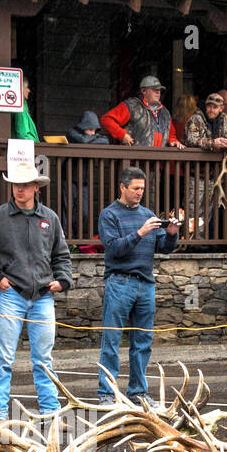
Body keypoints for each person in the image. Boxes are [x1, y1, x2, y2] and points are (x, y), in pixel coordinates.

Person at [0, 157, 72, 421]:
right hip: (11, 294)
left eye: (26, 185)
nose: (20, 189)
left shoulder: (49, 218)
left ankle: (50, 411)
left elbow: (61, 255)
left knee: (43, 359)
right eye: (16, 184)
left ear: (36, 187)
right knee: (3, 359)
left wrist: (62, 280)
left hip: (42, 296)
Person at [95, 166, 179, 403]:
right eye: (135, 188)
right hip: (120, 282)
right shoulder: (109, 215)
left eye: (142, 188)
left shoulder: (148, 214)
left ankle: (138, 392)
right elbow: (114, 248)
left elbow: (163, 247)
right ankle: (106, 393)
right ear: (122, 187)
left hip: (146, 284)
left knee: (143, 342)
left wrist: (171, 234)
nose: (139, 192)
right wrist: (140, 233)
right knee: (111, 341)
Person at [101, 76, 183, 148]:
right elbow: (106, 119)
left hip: (158, 163)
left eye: (159, 90)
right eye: (154, 89)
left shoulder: (165, 113)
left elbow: (171, 135)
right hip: (134, 161)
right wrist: (122, 135)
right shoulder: (131, 106)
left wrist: (173, 141)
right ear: (143, 91)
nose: (158, 92)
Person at [13, 77, 40, 142]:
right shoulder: (20, 109)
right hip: (25, 149)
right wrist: (36, 143)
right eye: (26, 87)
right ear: (21, 89)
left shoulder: (22, 107)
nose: (29, 90)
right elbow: (23, 135)